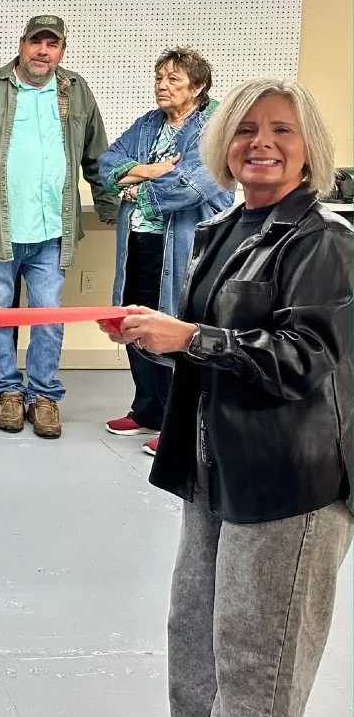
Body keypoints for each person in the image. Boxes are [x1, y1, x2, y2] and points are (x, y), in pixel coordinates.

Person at [104, 78, 351, 717]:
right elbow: (211, 340)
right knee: (195, 654)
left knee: (255, 676)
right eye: (245, 129)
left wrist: (188, 337)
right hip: (214, 475)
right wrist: (154, 335)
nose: (261, 143)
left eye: (281, 130)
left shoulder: (324, 242)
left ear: (309, 148)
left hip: (288, 487)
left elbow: (303, 357)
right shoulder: (222, 230)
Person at [0, 15, 118, 438]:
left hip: (52, 231)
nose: (43, 51)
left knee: (48, 317)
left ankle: (43, 396)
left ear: (61, 51)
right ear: (21, 45)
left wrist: (108, 203)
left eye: (52, 45)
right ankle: (7, 391)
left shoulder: (76, 91)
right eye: (36, 42)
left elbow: (97, 156)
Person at [97, 49, 232, 457]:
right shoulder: (149, 124)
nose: (162, 86)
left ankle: (181, 426)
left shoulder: (214, 128)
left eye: (174, 79)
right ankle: (148, 410)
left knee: (176, 327)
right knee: (133, 321)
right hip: (138, 243)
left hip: (186, 247)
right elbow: (107, 163)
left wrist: (134, 186)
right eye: (159, 77)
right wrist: (152, 170)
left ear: (198, 86)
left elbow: (191, 186)